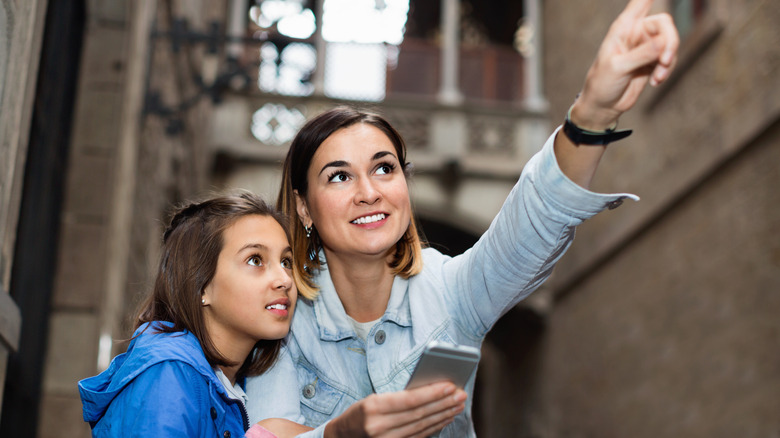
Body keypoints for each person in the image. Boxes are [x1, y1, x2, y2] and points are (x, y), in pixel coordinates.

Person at [245, 0, 679, 436]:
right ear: (304, 206)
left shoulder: (451, 291)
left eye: (384, 168)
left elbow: (534, 221)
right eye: (339, 176)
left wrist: (593, 114)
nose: (369, 192)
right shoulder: (281, 315)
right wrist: (343, 434)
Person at [78, 192, 312, 437]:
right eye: (255, 260)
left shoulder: (230, 382)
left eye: (286, 261)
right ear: (201, 287)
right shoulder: (169, 372)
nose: (284, 279)